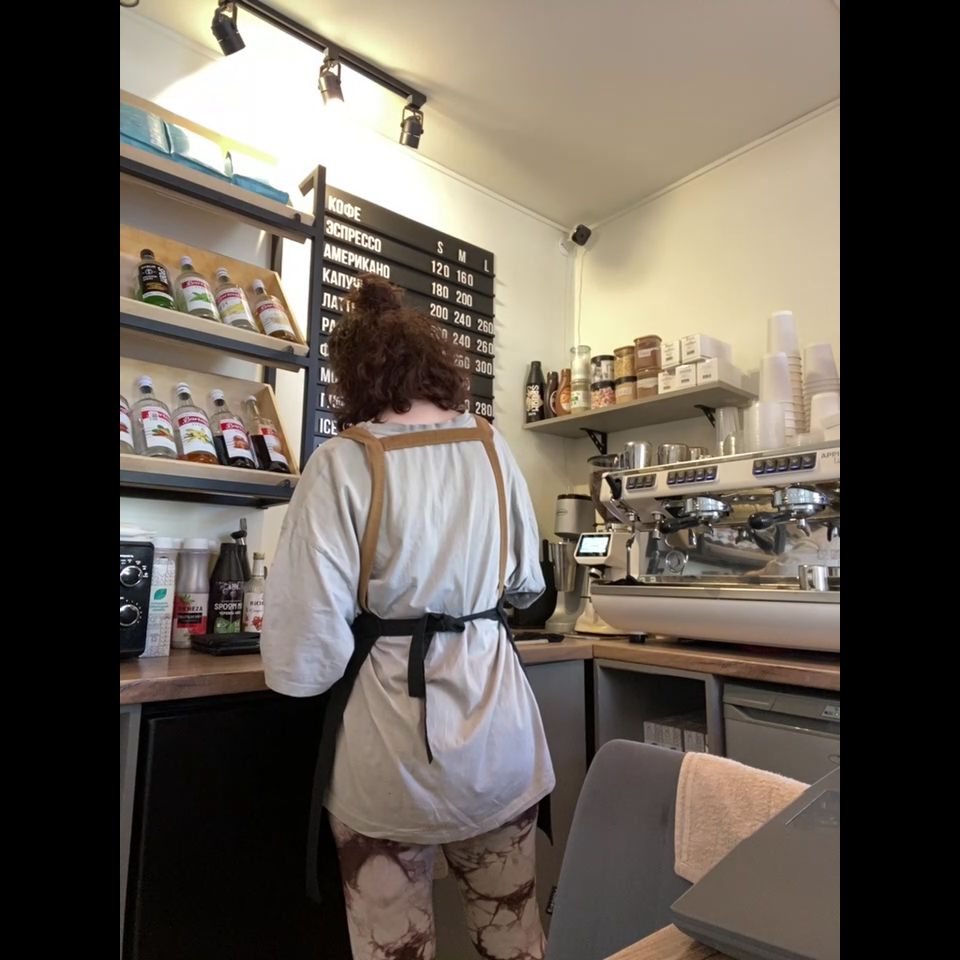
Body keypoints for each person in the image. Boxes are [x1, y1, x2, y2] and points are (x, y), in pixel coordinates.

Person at [260, 274, 555, 960]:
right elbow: (526, 585)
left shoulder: (342, 462)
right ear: (436, 365)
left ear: (354, 377)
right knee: (512, 936)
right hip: (499, 742)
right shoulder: (492, 446)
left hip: (388, 757)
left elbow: (306, 657)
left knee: (394, 948)